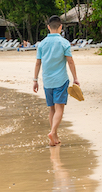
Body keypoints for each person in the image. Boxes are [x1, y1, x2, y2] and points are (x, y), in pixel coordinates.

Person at [32, 16, 79, 146]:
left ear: (48, 27)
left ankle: (55, 135)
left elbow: (38, 63)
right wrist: (75, 78)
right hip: (61, 80)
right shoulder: (64, 43)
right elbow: (70, 61)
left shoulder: (42, 44)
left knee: (51, 109)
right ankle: (53, 132)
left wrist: (35, 80)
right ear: (60, 27)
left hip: (47, 81)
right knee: (59, 109)